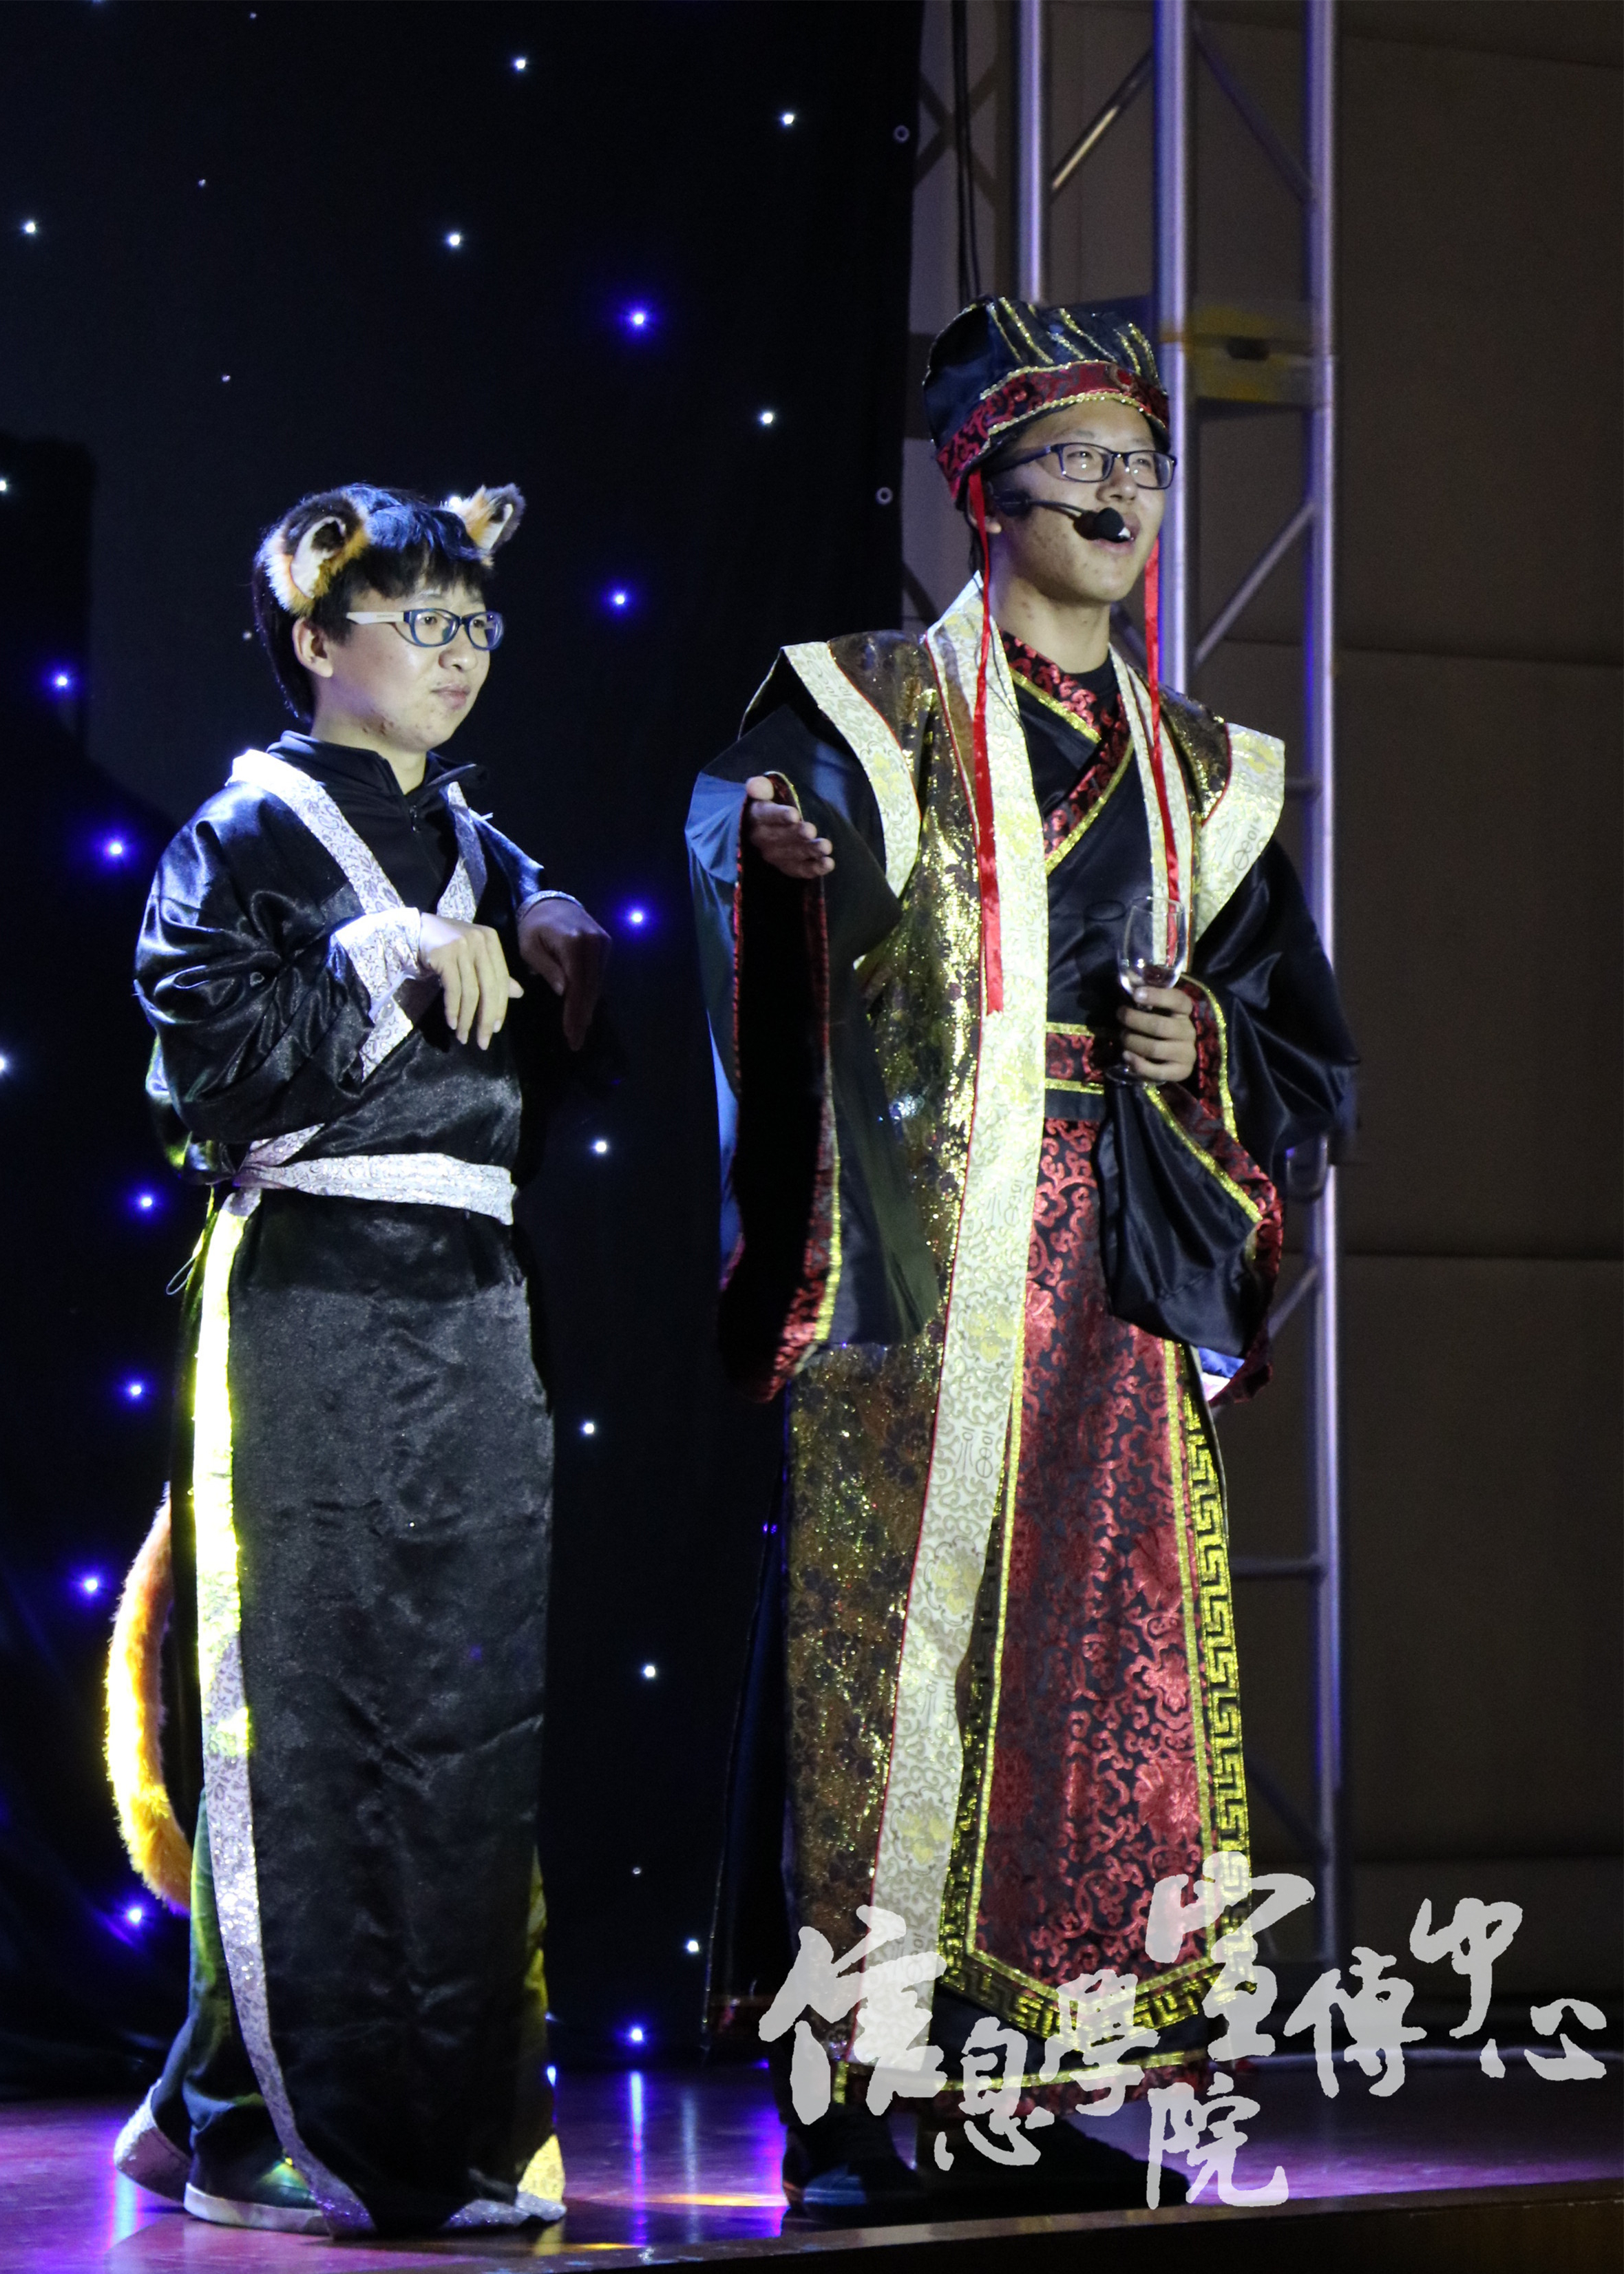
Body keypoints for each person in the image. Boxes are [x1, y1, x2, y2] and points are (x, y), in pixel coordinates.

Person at [687, 300, 1356, 2218]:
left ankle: (1021, 2076)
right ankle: (845, 2096)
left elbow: (1300, 1040)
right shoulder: (864, 703)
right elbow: (745, 839)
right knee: (891, 1662)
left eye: (1141, 464)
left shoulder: (1208, 770)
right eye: (1079, 463)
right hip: (917, 1255)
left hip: (1110, 1278)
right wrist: (775, 867)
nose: (1120, 496)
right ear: (983, 488)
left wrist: (1198, 1041)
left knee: (1083, 1665)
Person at [107, 483, 608, 2236]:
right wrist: (372, 966)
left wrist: (560, 937)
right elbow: (207, 1079)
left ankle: (298, 2099)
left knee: (460, 1718)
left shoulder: (482, 843)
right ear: (318, 639)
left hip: (469, 1296)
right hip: (312, 1293)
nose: (462, 656)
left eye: (478, 625)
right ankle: (265, 2118)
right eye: (423, 622)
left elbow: (556, 1050)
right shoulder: (240, 834)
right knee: (309, 1714)